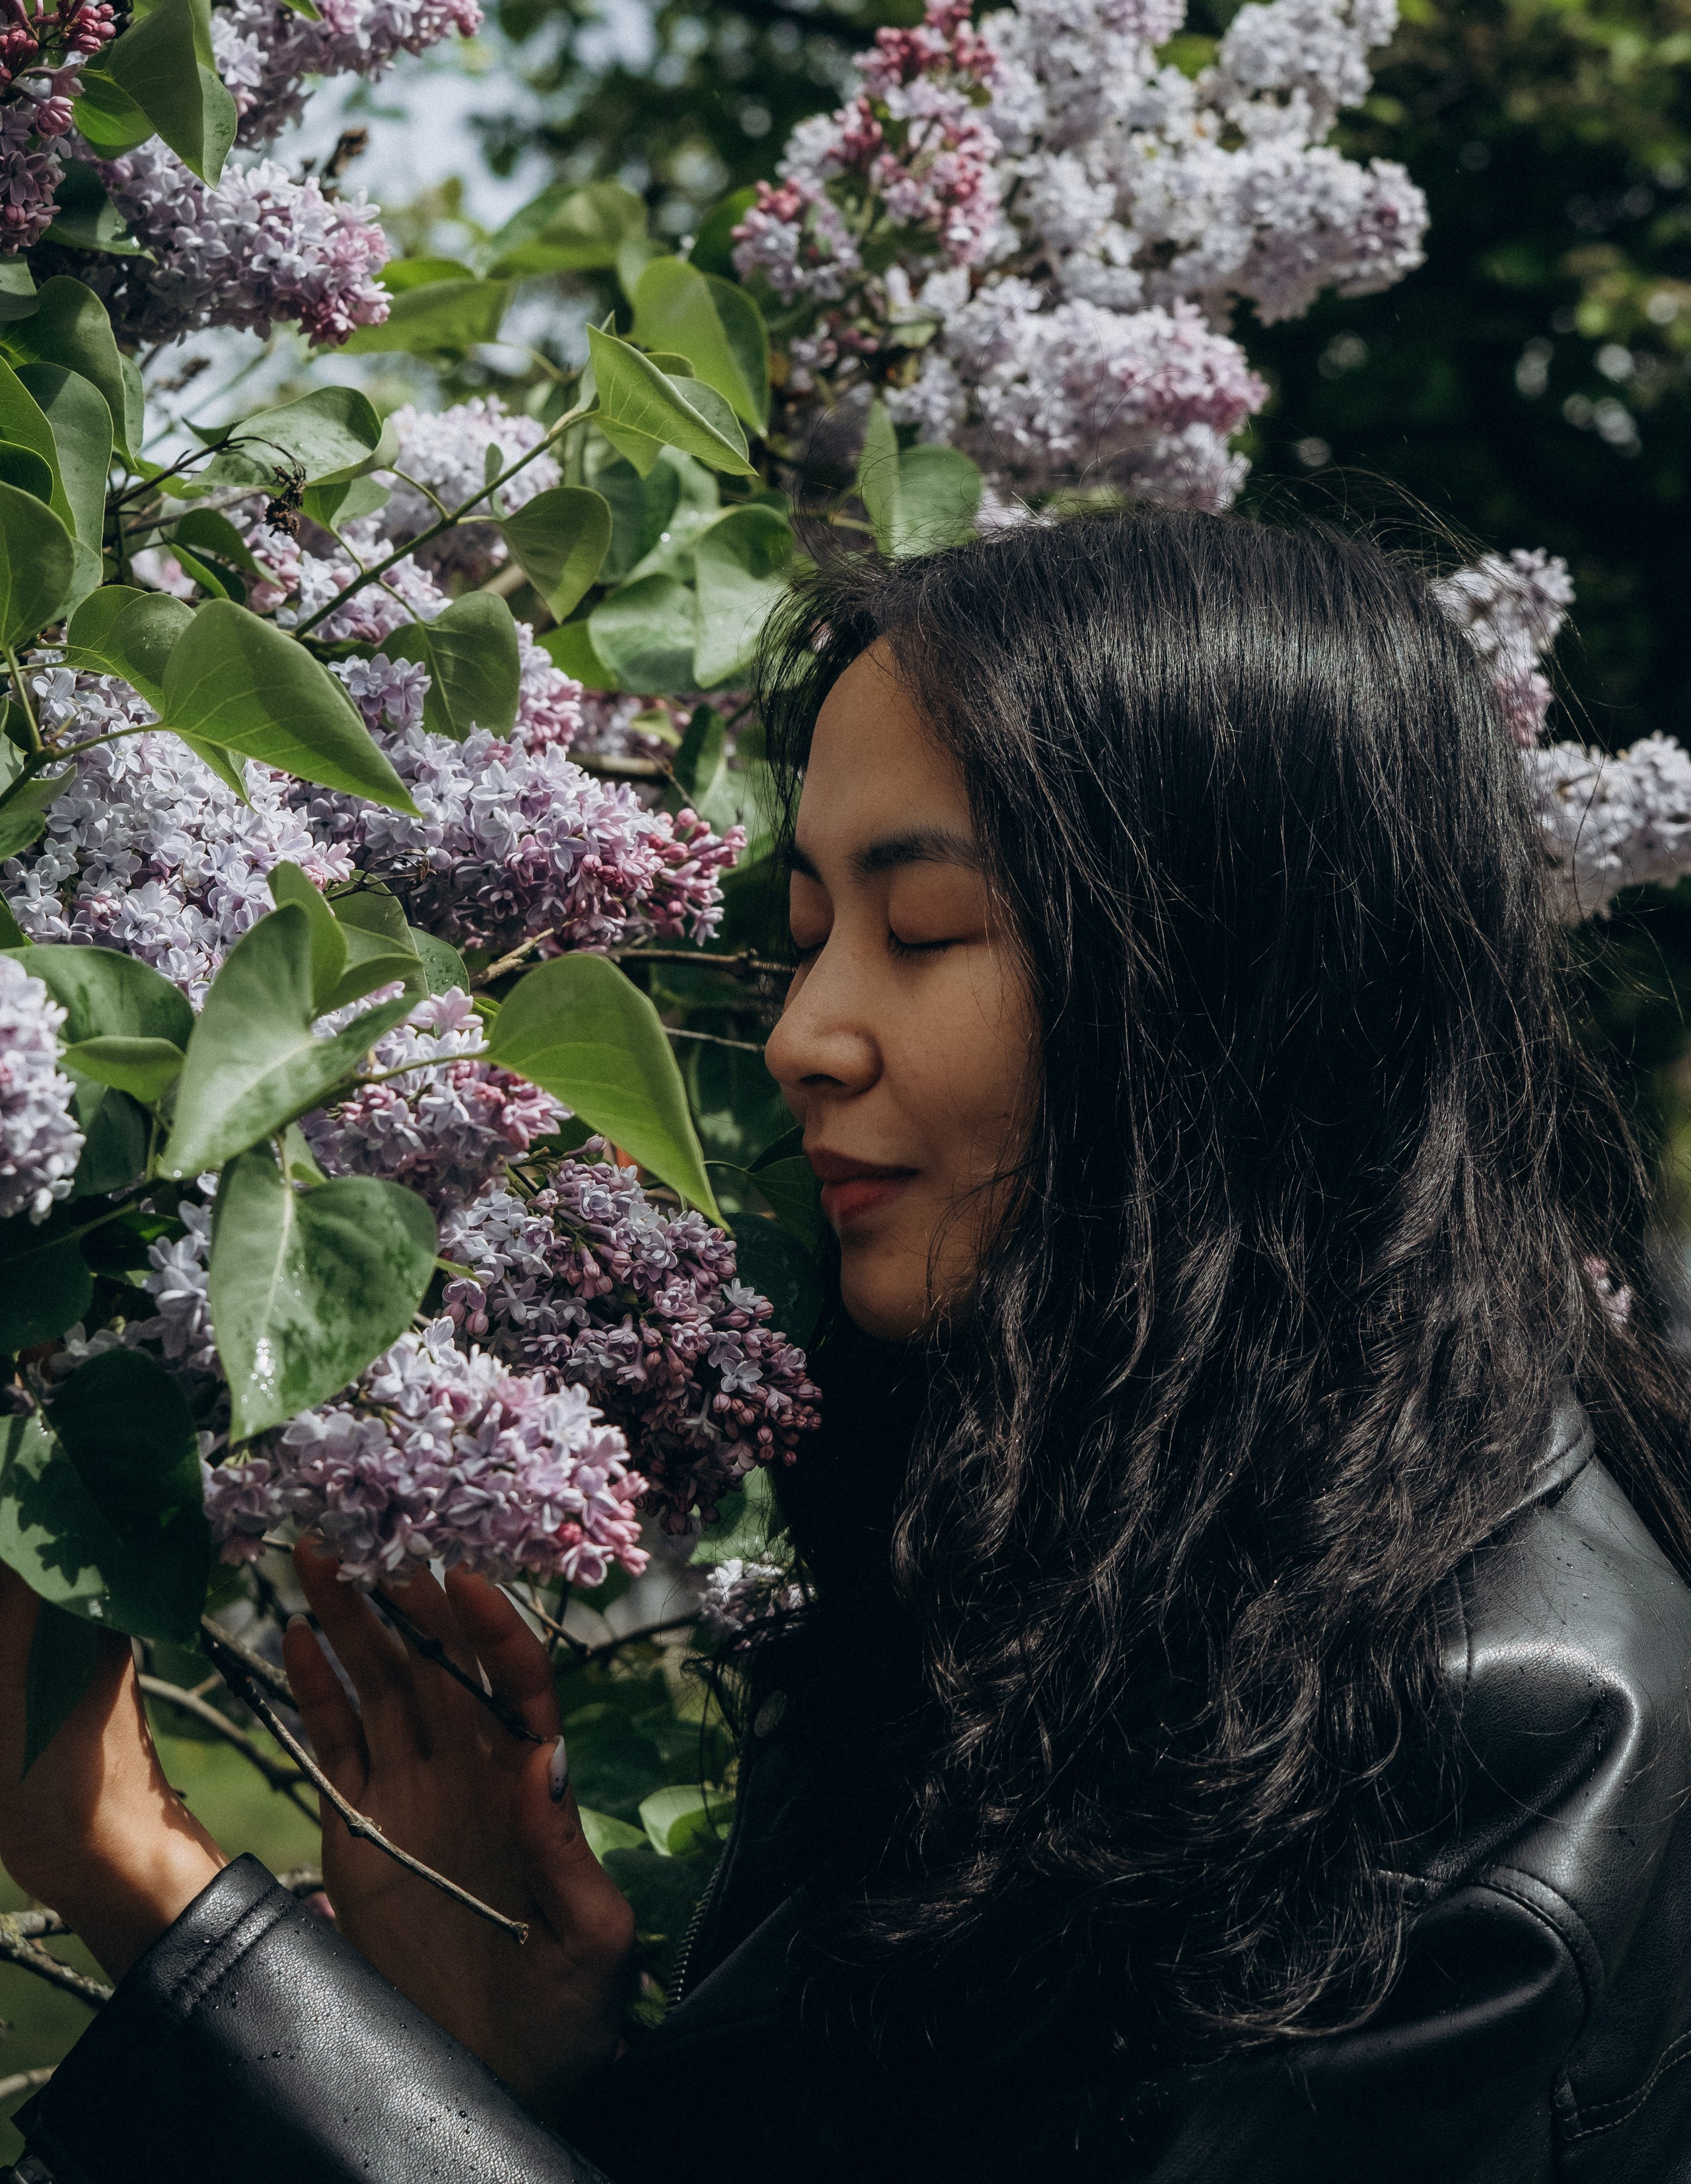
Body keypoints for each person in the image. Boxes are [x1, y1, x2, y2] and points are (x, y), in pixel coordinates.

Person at [6, 504, 1691, 2184]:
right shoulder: (1079, 1529)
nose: (803, 1035)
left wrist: (159, 1900)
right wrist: (543, 2073)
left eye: (930, 929)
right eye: (809, 932)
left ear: (1233, 982)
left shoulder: (1490, 1746)